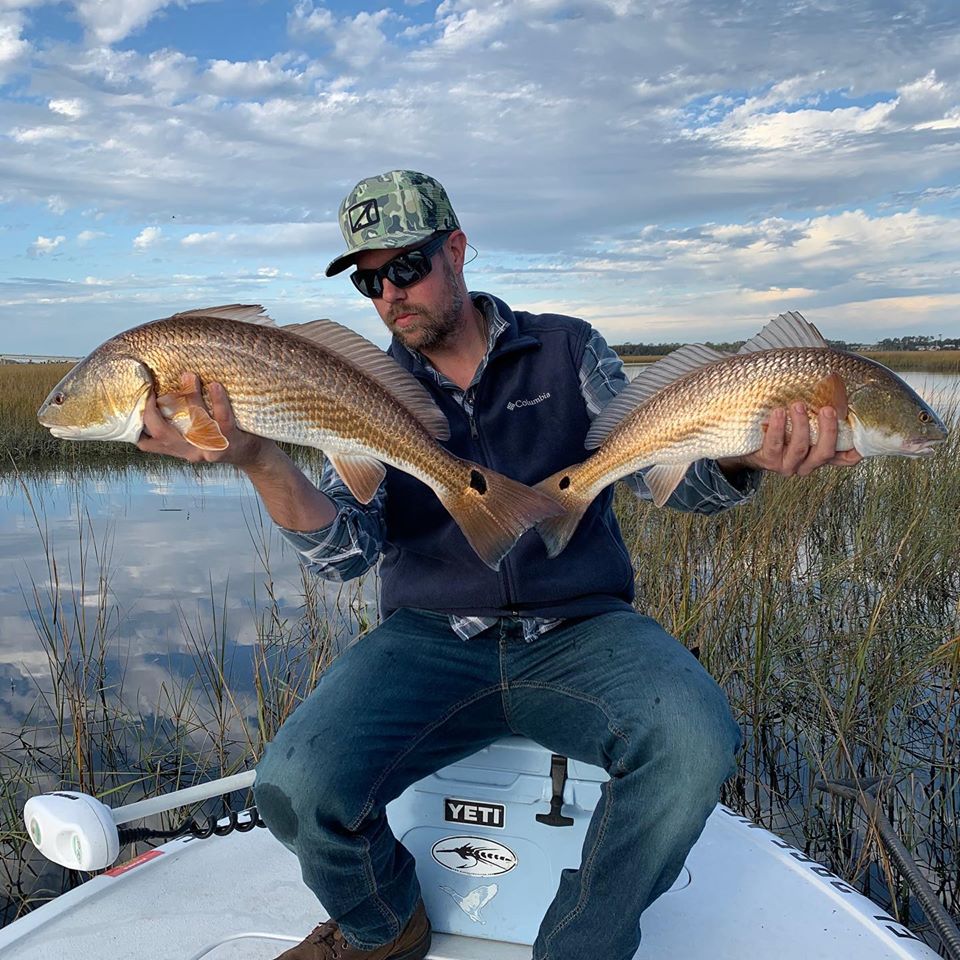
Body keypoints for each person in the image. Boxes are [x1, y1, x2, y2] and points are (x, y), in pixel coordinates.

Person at [137, 170, 862, 960]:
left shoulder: (568, 350)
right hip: (428, 639)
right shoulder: (354, 383)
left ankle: (583, 944)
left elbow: (677, 480)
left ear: (456, 249)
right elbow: (346, 554)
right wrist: (255, 458)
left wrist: (740, 458)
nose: (390, 295)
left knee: (693, 741)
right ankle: (385, 925)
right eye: (370, 281)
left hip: (583, 629)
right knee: (296, 786)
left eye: (405, 267)